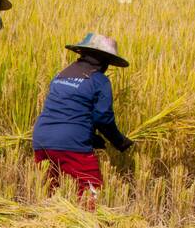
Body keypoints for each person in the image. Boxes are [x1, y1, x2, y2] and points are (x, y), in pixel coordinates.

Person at [32, 33, 133, 201]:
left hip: (41, 139)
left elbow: (67, 110)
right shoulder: (99, 80)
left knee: (49, 193)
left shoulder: (61, 74)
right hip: (71, 143)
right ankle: (88, 224)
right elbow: (103, 117)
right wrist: (119, 141)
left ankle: (48, 224)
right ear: (104, 61)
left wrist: (91, 137)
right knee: (90, 193)